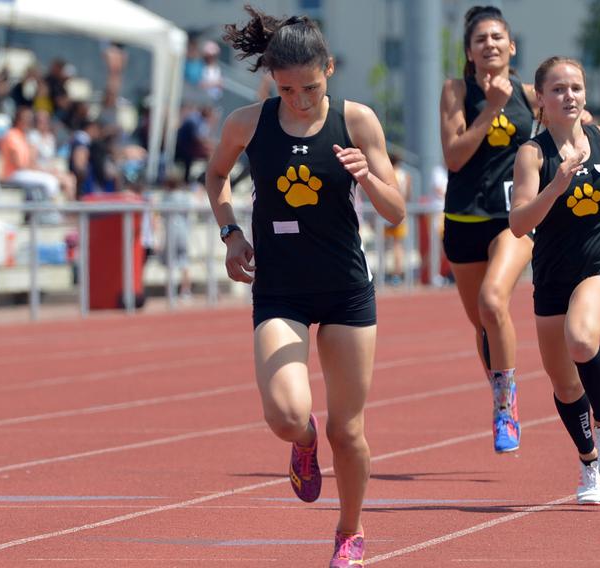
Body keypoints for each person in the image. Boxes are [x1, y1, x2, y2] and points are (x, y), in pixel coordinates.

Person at [207, 7, 405, 566]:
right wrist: (230, 233)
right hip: (280, 289)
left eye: (310, 88)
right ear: (271, 79)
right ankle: (301, 444)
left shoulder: (357, 121)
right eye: (286, 88)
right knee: (287, 414)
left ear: (330, 70)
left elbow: (394, 213)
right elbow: (217, 175)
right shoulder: (247, 123)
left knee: (348, 430)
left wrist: (367, 174)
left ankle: (350, 531)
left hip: (344, 289)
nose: (298, 99)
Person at [509, 56, 600, 505]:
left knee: (581, 339)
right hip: (551, 279)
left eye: (576, 88)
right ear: (541, 100)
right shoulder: (533, 154)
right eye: (559, 89)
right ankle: (589, 467)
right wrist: (555, 185)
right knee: (565, 385)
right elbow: (518, 224)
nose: (569, 96)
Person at [438, 5, 537, 454]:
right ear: (470, 52)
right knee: (482, 324)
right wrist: (490, 109)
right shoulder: (455, 91)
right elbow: (454, 157)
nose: (490, 44)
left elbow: (571, 121)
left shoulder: (533, 96)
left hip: (511, 218)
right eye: (481, 39)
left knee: (493, 302)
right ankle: (501, 389)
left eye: (498, 37)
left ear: (511, 47)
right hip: (463, 220)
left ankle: (505, 407)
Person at [383, 151, 411, 284]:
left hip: (385, 212)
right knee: (397, 245)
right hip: (400, 211)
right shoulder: (405, 175)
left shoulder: (386, 174)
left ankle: (387, 274)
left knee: (385, 245)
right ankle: (396, 274)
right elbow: (408, 195)